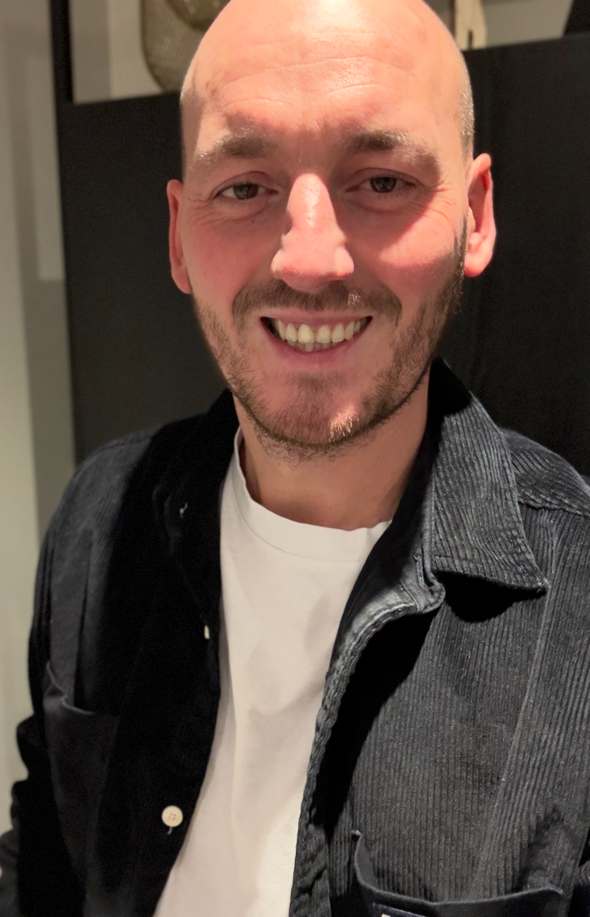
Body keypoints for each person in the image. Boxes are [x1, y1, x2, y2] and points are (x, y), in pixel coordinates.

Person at [2, 0, 590, 913]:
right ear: (179, 235)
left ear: (475, 216)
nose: (310, 260)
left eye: (382, 180)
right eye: (244, 186)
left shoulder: (577, 606)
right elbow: (46, 855)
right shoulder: (96, 522)